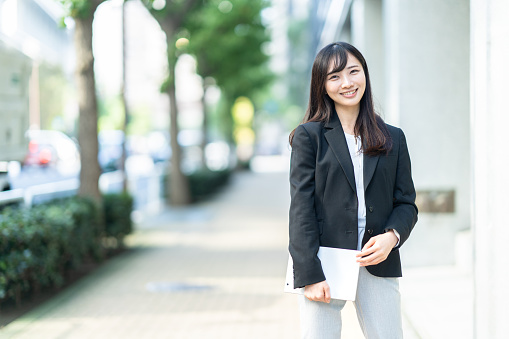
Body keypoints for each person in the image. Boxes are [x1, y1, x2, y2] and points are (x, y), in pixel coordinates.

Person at [288, 42, 418, 339]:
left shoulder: (392, 138)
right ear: (321, 85)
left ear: (365, 75)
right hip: (325, 261)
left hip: (377, 259)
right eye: (334, 76)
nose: (346, 83)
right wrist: (309, 273)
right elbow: (301, 209)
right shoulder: (309, 137)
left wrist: (392, 237)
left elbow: (407, 203)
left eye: (353, 72)